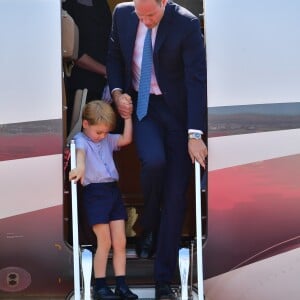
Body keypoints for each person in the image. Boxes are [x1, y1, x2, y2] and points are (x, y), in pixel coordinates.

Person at [106, 0, 208, 298]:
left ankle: (163, 281)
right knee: (153, 162)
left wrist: (194, 133)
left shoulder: (186, 24)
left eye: (151, 14)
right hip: (143, 106)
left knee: (176, 195)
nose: (146, 20)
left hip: (178, 113)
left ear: (165, 2)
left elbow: (196, 80)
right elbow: (113, 56)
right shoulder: (123, 15)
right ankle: (148, 226)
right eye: (141, 14)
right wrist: (117, 92)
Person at [69, 100, 138, 300]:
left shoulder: (106, 139)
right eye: (98, 132)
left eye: (106, 132)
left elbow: (126, 139)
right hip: (95, 193)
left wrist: (128, 118)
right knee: (105, 241)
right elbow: (80, 154)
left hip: (112, 191)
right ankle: (100, 285)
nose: (102, 136)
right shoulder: (82, 139)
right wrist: (80, 168)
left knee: (120, 241)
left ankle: (121, 285)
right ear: (85, 124)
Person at [62, 0, 112, 132]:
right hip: (81, 87)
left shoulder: (101, 4)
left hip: (105, 85)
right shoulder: (67, 7)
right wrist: (108, 72)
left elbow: (112, 40)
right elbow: (75, 54)